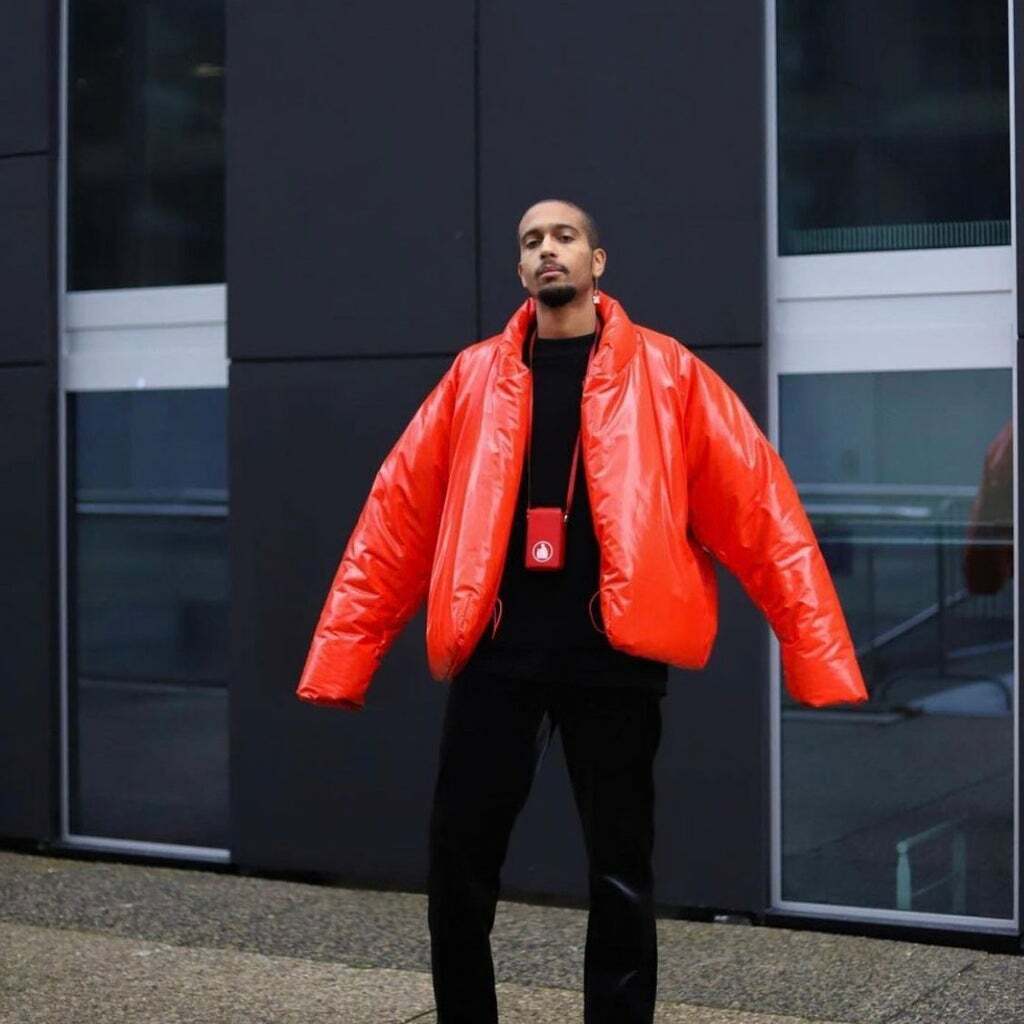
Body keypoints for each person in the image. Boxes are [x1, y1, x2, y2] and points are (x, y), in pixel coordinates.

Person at [295, 198, 869, 1024]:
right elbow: (395, 522)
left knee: (620, 875)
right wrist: (341, 659)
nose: (547, 251)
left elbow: (763, 515)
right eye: (531, 241)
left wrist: (818, 657)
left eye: (564, 236)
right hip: (496, 654)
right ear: (521, 269)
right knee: (458, 867)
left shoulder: (668, 374)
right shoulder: (472, 378)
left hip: (615, 658)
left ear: (599, 261)